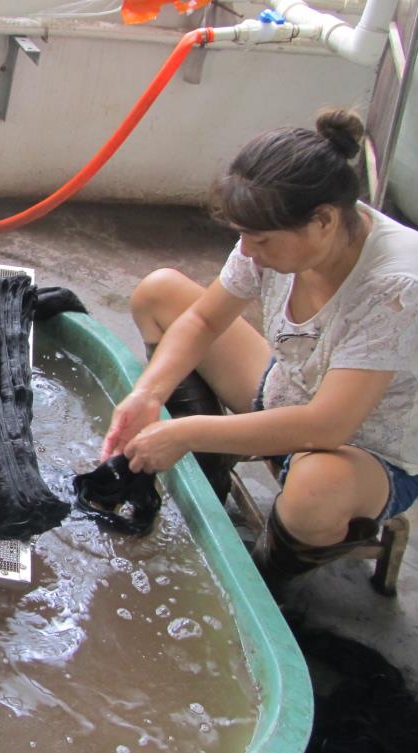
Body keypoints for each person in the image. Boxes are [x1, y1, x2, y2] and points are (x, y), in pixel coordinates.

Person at [100, 108, 418, 592]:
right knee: (159, 293)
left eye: (260, 239)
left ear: (324, 221)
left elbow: (330, 426)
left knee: (314, 492)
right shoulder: (279, 230)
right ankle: (210, 478)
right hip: (287, 388)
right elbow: (205, 319)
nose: (247, 251)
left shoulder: (397, 286)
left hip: (364, 449)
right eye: (243, 235)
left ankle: (264, 582)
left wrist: (187, 432)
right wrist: (148, 393)